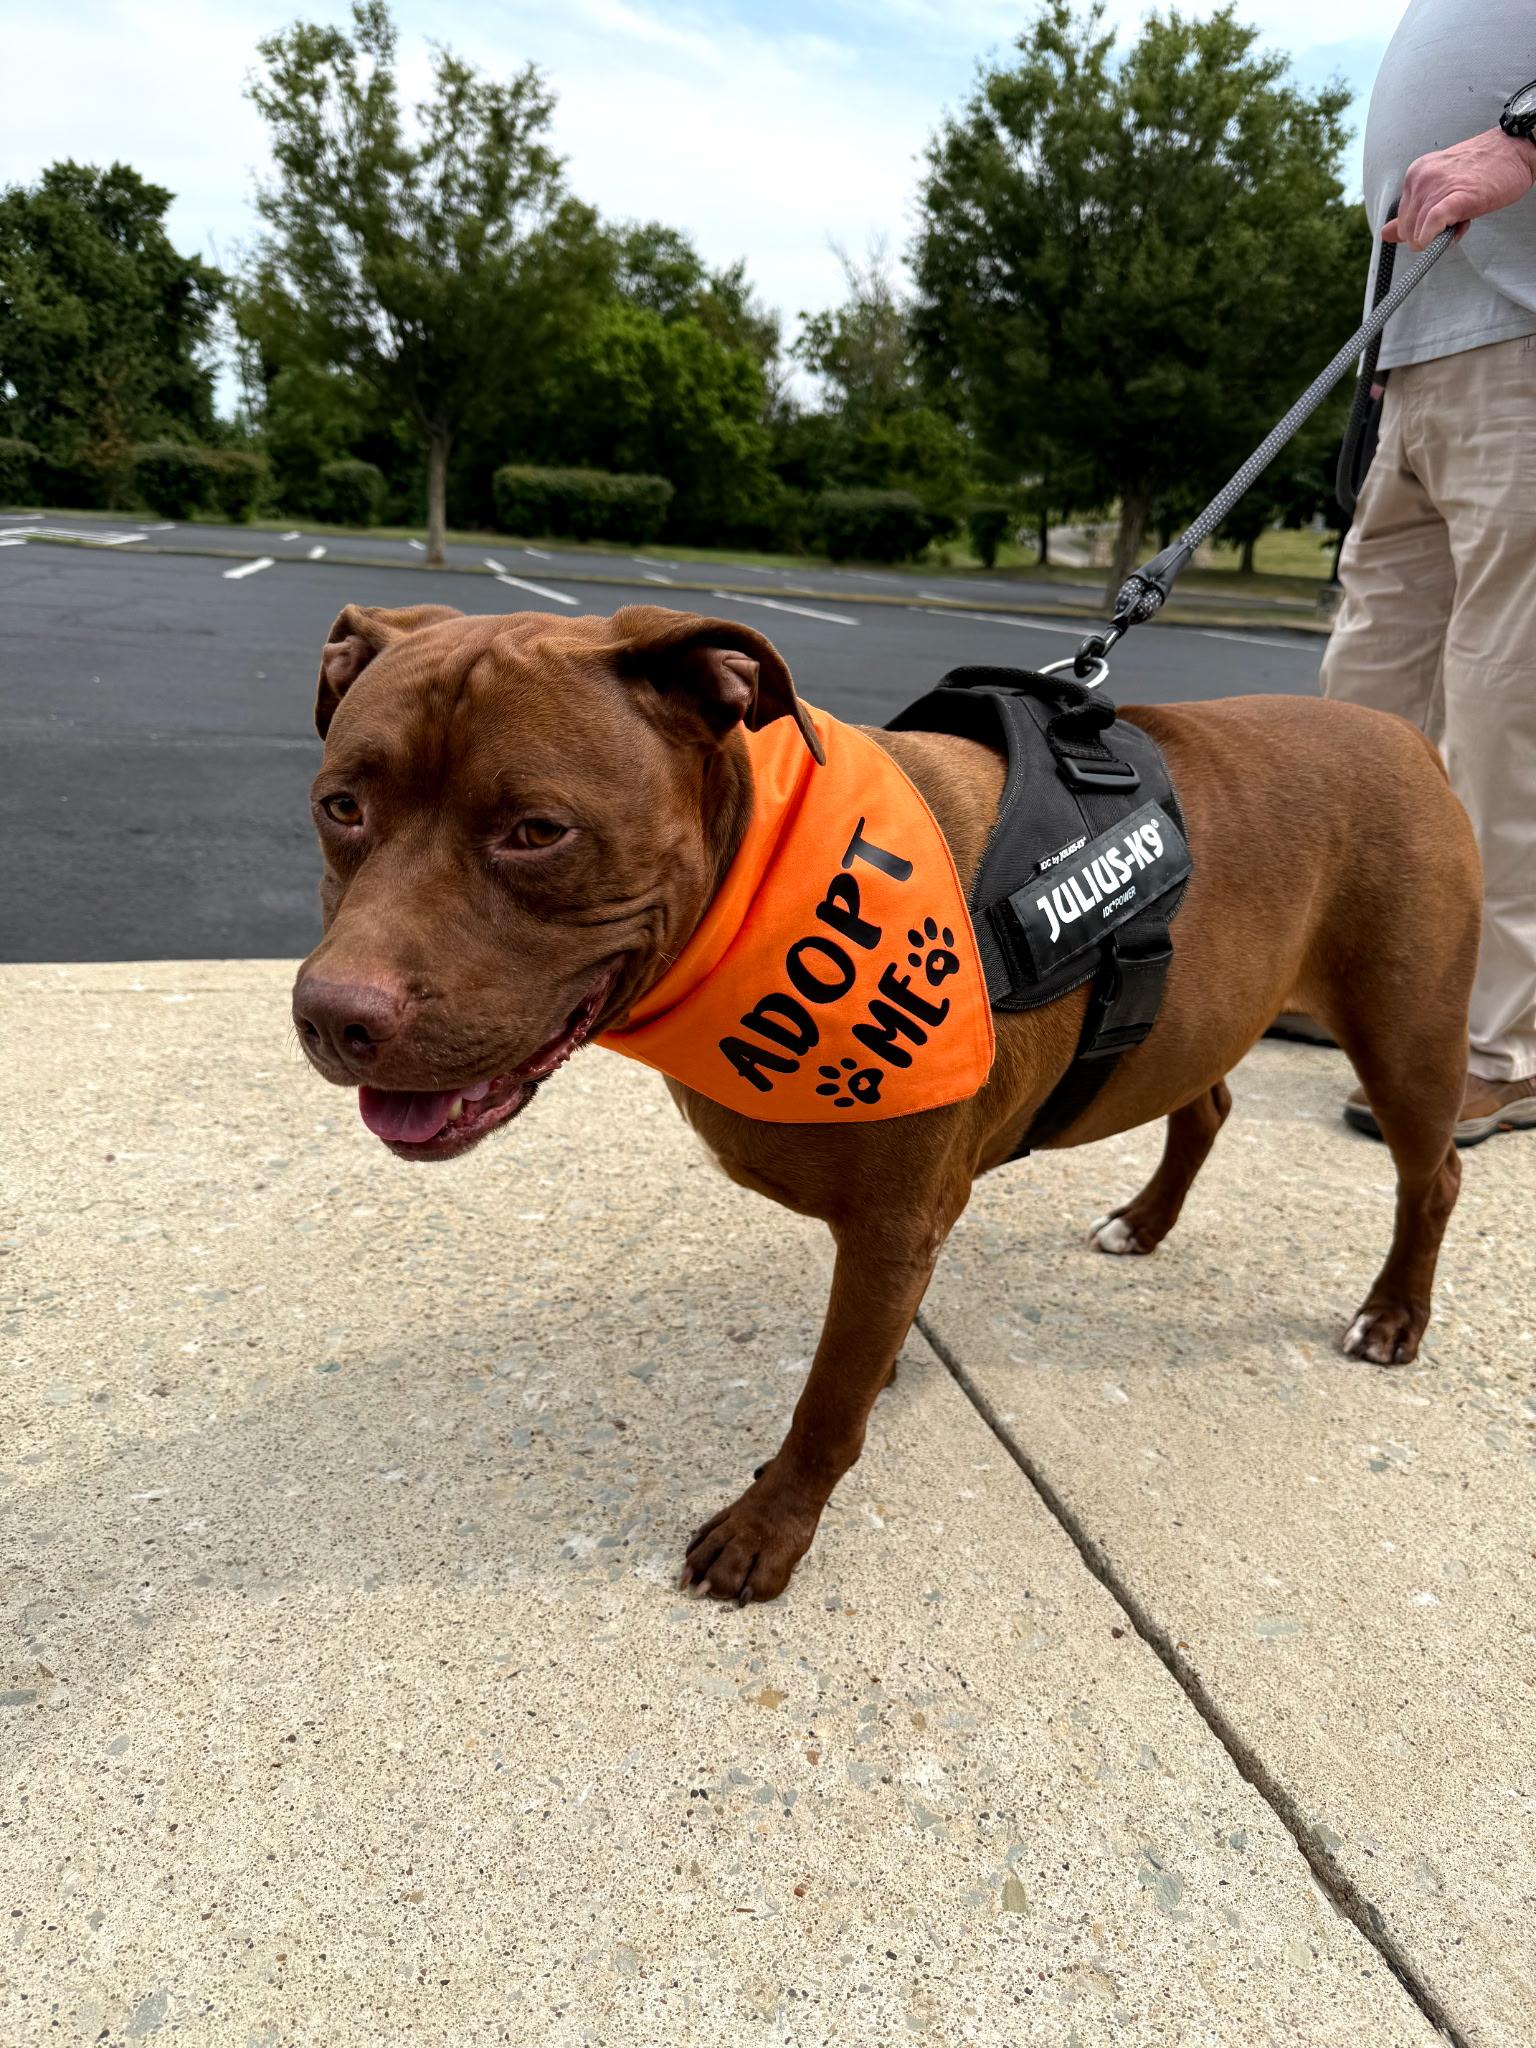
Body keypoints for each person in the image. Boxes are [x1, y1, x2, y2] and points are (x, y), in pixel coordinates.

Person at [1320, 1, 1536, 1146]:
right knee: (1364, 713)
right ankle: (1341, 975)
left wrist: (1530, 134)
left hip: (1524, 340)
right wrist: (1378, 353)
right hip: (1417, 351)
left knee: (1508, 713)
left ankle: (1501, 1042)